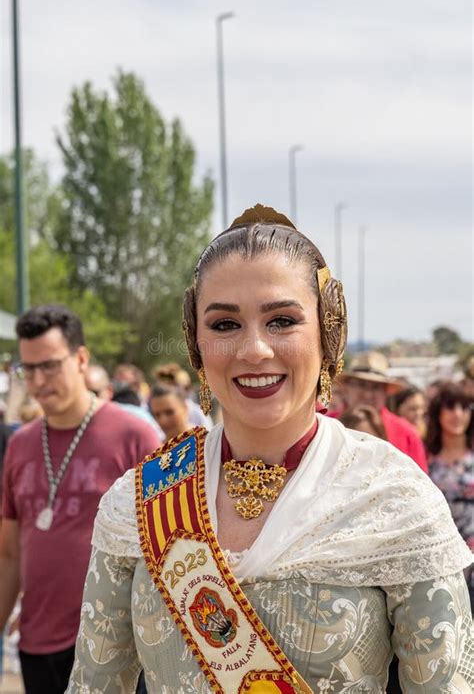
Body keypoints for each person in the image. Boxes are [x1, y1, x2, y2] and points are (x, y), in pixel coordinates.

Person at [67, 205, 472, 693]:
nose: (254, 349)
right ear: (196, 343)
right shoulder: (135, 504)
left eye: (281, 320)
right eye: (224, 325)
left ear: (328, 333)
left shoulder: (395, 498)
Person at [0, 304, 159, 694]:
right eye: (28, 368)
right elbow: (9, 552)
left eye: (50, 365)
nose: (38, 380)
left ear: (81, 359)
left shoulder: (134, 436)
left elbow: (165, 548)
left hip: (115, 645)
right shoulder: (20, 444)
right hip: (36, 643)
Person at [339, 351, 429, 472]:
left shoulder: (407, 434)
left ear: (386, 392)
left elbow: (421, 483)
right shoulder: (326, 425)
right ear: (346, 388)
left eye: (376, 387)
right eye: (361, 385)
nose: (368, 394)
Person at [426, 382, 473, 606]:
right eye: (450, 407)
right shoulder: (425, 459)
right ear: (438, 413)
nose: (458, 414)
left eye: (464, 408)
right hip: (441, 557)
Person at [153, 362, 214, 429]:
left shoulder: (197, 413)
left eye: (169, 412)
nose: (163, 421)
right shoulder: (152, 408)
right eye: (157, 415)